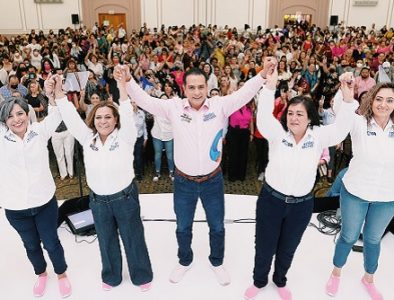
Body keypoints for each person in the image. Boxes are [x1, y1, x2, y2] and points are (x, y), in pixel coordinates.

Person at [119, 58, 275, 286]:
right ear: (184, 89)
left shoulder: (219, 105)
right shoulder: (172, 107)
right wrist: (128, 81)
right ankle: (184, 260)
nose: (197, 91)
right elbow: (145, 100)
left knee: (217, 225)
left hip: (213, 181)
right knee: (183, 226)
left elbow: (244, 93)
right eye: (191, 87)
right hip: (184, 182)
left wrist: (262, 74)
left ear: (206, 87)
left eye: (201, 87)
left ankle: (217, 261)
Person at [244, 66, 356, 300]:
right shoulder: (278, 134)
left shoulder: (318, 136)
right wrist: (270, 87)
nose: (293, 118)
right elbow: (263, 119)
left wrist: (347, 99)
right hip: (271, 201)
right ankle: (259, 280)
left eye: (300, 114)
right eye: (291, 113)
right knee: (264, 246)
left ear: (309, 118)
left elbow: (341, 129)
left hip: (301, 205)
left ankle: (280, 280)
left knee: (288, 247)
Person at [54, 71, 153, 291]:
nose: (103, 121)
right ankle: (111, 277)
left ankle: (141, 275)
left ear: (115, 119)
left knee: (133, 238)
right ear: (92, 120)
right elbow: (70, 117)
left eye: (108, 116)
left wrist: (122, 86)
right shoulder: (88, 138)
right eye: (98, 117)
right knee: (106, 239)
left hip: (125, 198)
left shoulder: (125, 136)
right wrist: (60, 94)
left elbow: (126, 112)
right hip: (98, 201)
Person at [0, 77, 72, 298]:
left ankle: (61, 274)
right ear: (4, 121)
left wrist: (53, 94)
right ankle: (41, 273)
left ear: (27, 113)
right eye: (10, 116)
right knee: (31, 245)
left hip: (44, 203)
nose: (16, 119)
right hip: (15, 208)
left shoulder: (39, 132)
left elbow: (57, 113)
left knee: (51, 242)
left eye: (20, 113)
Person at [325, 81, 394, 300]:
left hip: (387, 197)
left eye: (390, 100)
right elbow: (339, 114)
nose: (384, 104)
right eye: (379, 99)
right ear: (372, 100)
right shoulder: (358, 123)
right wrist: (344, 94)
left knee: (373, 240)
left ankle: (368, 279)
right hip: (355, 192)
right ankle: (336, 273)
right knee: (348, 236)